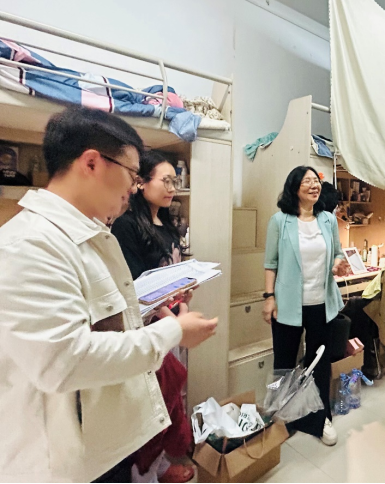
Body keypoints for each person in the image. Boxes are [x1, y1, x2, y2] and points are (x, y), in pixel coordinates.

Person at [0, 107, 218, 483]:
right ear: (92, 163)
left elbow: (107, 322)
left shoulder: (90, 236)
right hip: (62, 463)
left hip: (103, 446)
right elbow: (65, 361)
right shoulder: (30, 245)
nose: (134, 187)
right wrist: (173, 332)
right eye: (132, 174)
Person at [111, 151, 195, 483]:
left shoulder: (168, 225)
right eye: (166, 180)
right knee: (148, 403)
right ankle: (142, 473)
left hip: (172, 322)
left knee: (168, 399)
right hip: (148, 328)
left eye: (175, 181)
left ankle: (159, 466)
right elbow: (133, 284)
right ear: (142, 182)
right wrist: (169, 317)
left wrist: (184, 301)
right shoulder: (127, 225)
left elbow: (172, 276)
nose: (172, 187)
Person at [263, 166, 349, 446]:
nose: (314, 185)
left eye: (316, 181)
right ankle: (281, 416)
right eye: (307, 181)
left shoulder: (328, 219)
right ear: (294, 188)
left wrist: (338, 263)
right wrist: (269, 297)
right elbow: (271, 263)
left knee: (319, 362)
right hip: (287, 304)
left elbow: (337, 252)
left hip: (321, 304)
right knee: (283, 363)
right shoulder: (280, 221)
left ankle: (321, 418)